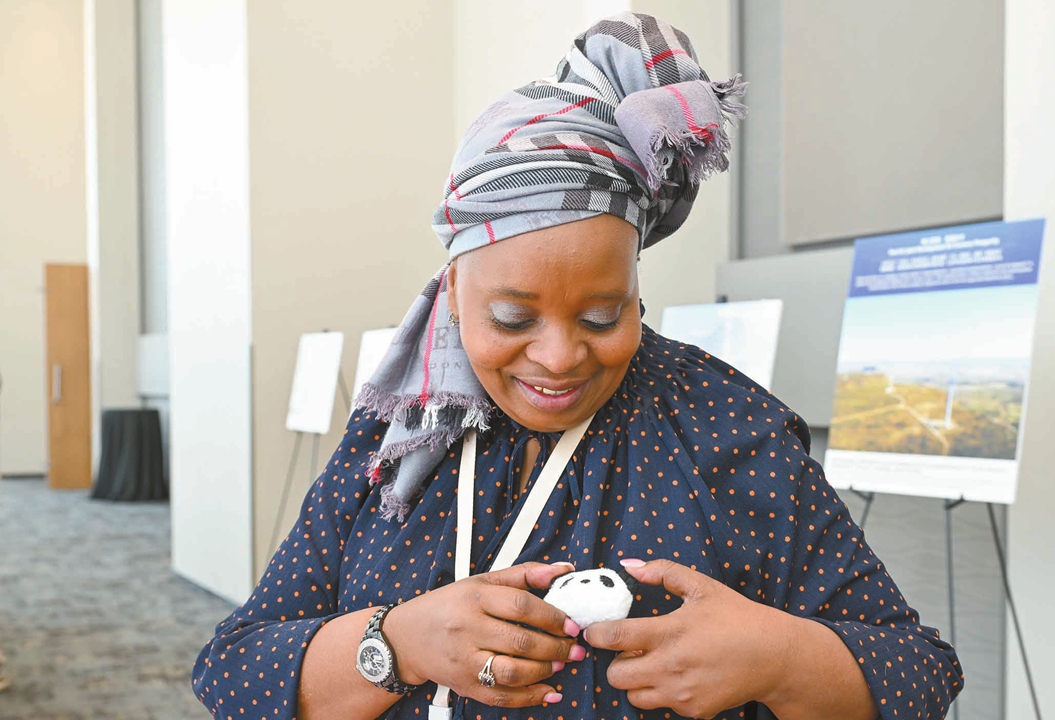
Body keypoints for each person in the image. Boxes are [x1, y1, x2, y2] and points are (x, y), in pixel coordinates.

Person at [194, 13, 962, 720]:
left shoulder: (729, 431)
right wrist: (396, 645)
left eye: (603, 316)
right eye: (512, 318)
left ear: (636, 286)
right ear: (453, 289)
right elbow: (232, 672)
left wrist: (780, 659)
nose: (560, 359)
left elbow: (920, 673)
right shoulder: (398, 433)